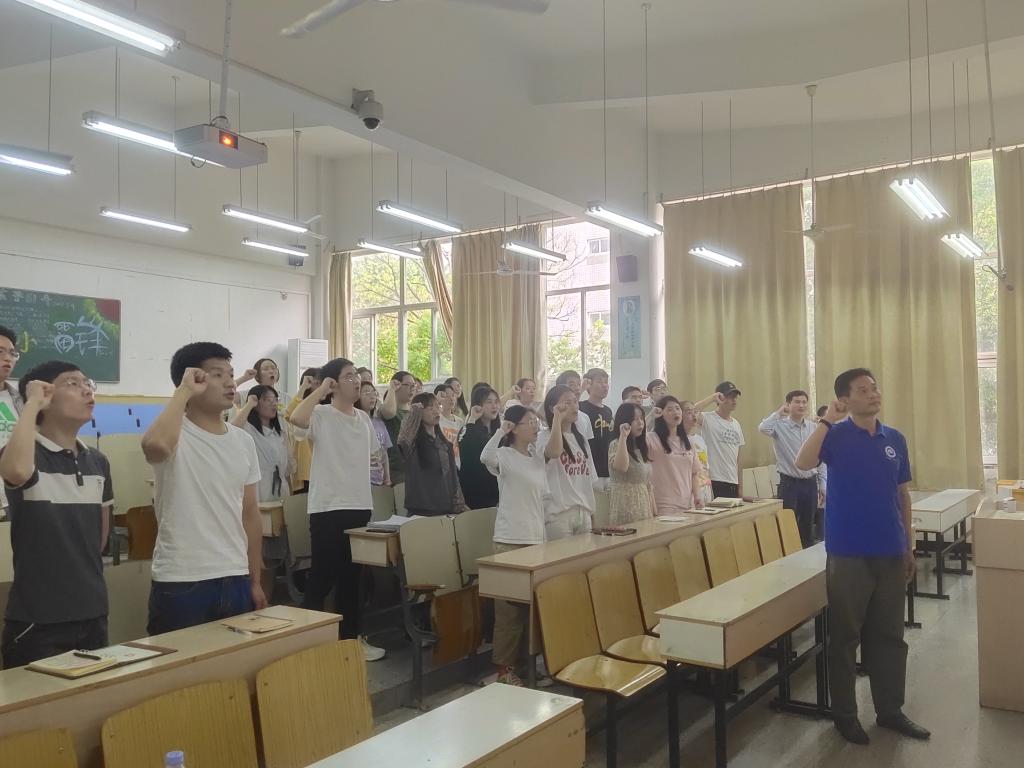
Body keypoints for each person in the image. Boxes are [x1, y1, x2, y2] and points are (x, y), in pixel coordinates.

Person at [795, 368, 929, 745]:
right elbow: (803, 463)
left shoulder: (894, 439)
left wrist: (909, 545)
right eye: (863, 390)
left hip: (890, 550)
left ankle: (890, 711)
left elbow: (902, 495)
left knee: (890, 636)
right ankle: (845, 715)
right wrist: (826, 420)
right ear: (845, 399)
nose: (873, 394)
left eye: (874, 388)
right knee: (845, 637)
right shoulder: (834, 435)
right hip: (848, 553)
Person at [142, 342, 265, 635]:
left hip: (235, 575)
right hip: (182, 578)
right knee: (180, 662)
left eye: (230, 374)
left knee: (235, 662)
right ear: (193, 379)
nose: (230, 382)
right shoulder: (174, 433)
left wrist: (255, 580)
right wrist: (183, 391)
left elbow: (250, 513)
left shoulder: (243, 441)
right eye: (217, 375)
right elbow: (155, 446)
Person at [0, 362, 112, 668]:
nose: (87, 390)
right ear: (45, 396)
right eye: (73, 384)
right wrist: (31, 404)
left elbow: (100, 539)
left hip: (93, 612)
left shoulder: (98, 461)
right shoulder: (25, 452)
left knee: (92, 696)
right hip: (38, 620)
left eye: (87, 383)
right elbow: (16, 471)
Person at [288, 358, 386, 661]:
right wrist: (320, 390)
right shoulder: (321, 413)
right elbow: (296, 419)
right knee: (322, 577)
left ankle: (351, 641)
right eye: (348, 376)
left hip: (359, 505)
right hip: (328, 507)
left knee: (352, 579)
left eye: (357, 375)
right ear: (333, 384)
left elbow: (373, 454)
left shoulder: (363, 418)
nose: (356, 380)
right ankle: (307, 644)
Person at [481, 405, 547, 685]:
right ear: (515, 427)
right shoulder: (505, 456)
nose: (535, 425)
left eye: (535, 421)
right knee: (508, 611)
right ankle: (504, 670)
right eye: (529, 421)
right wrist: (500, 431)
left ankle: (527, 665)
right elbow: (485, 457)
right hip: (510, 539)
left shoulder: (536, 458)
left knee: (530, 611)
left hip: (535, 538)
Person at [759, 390, 820, 546]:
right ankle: (789, 553)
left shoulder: (813, 427)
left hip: (810, 482)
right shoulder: (779, 425)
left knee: (808, 523)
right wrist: (779, 413)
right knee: (788, 523)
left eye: (804, 402)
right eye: (797, 402)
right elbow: (763, 428)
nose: (801, 405)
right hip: (789, 483)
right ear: (788, 404)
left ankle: (807, 553)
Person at [538, 386, 597, 539]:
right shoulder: (543, 437)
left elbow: (588, 480)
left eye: (575, 402)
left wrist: (591, 512)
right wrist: (557, 419)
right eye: (567, 403)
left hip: (583, 511)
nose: (574, 407)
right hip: (558, 514)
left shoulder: (581, 440)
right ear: (552, 408)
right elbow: (554, 452)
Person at [398, 393, 467, 516]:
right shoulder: (413, 443)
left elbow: (453, 478)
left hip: (445, 508)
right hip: (421, 509)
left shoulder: (445, 444)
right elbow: (403, 439)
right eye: (430, 407)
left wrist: (459, 504)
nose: (436, 411)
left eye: (437, 406)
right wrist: (413, 413)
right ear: (419, 411)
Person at [232, 385, 293, 503]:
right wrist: (249, 404)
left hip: (281, 493)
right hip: (258, 492)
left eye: (276, 399)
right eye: (268, 400)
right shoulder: (248, 430)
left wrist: (291, 497)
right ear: (256, 404)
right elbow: (232, 431)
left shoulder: (280, 433)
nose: (274, 403)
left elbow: (287, 472)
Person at [647, 396, 704, 515]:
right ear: (660, 414)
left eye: (678, 408)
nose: (675, 412)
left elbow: (694, 474)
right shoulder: (652, 438)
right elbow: (634, 437)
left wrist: (697, 496)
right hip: (664, 505)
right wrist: (651, 416)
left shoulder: (688, 441)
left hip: (688, 505)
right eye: (670, 409)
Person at [607, 403, 655, 524]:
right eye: (635, 419)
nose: (640, 423)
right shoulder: (616, 444)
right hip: (625, 505)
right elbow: (622, 467)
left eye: (641, 418)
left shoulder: (640, 447)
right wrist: (623, 436)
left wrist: (654, 510)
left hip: (643, 505)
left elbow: (647, 483)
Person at [696, 382, 745, 498]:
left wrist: (740, 486)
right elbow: (691, 411)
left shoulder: (736, 424)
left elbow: (738, 460)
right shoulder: (708, 418)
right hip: (713, 480)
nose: (734, 400)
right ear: (720, 398)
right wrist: (712, 398)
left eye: (735, 397)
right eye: (730, 397)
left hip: (732, 481)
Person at [458, 386, 501, 509]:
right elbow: (464, 444)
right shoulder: (469, 429)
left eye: (496, 402)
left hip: (497, 494)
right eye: (489, 402)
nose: (494, 406)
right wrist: (473, 417)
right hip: (476, 494)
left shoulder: (499, 432)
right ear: (478, 405)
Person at [0, 325, 24, 517]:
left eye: (12, 353)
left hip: (13, 498)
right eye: (0, 352)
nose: (8, 358)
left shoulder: (21, 401)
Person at [284, 368, 321, 493]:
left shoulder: (327, 408)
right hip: (305, 468)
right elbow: (289, 414)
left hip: (322, 468)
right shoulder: (303, 408)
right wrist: (304, 387)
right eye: (317, 383)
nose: (320, 387)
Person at [578, 369, 614, 491]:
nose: (604, 385)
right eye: (599, 382)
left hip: (608, 469)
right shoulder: (581, 407)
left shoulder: (608, 411)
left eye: (606, 382)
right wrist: (581, 389)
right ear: (589, 384)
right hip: (590, 469)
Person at [379, 370, 415, 485]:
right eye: (407, 385)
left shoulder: (415, 411)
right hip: (397, 470)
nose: (411, 389)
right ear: (397, 385)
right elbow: (389, 412)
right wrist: (391, 389)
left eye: (413, 385)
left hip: (415, 468)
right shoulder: (389, 409)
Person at [356, 381, 391, 487]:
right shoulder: (354, 422)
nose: (372, 396)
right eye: (366, 393)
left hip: (379, 480)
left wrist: (387, 478)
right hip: (361, 481)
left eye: (374, 393)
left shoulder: (379, 423)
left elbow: (384, 453)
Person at [435, 383, 464, 467]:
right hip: (441, 464)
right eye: (446, 396)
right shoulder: (436, 419)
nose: (451, 398)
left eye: (453, 395)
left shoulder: (460, 421)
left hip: (457, 464)